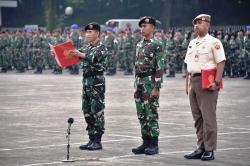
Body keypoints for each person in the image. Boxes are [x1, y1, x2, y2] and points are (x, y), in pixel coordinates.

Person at [184, 14, 226, 161]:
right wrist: (187, 84)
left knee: (208, 117)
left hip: (207, 82)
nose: (196, 26)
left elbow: (220, 63)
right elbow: (189, 65)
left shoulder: (214, 42)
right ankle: (200, 146)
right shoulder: (192, 43)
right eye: (195, 24)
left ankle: (209, 149)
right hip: (193, 81)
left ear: (207, 25)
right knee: (197, 118)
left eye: (199, 23)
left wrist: (216, 81)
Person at [68, 22, 107, 150]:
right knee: (87, 111)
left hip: (96, 82)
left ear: (98, 33)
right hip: (86, 82)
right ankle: (91, 139)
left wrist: (78, 54)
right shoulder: (87, 47)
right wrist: (61, 54)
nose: (88, 34)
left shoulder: (101, 47)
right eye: (87, 32)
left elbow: (93, 58)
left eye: (90, 32)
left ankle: (98, 140)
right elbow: (76, 56)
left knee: (97, 110)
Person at [132, 16, 164, 155]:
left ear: (152, 27)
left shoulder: (157, 43)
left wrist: (157, 87)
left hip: (150, 82)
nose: (142, 28)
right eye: (141, 26)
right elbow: (136, 64)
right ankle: (145, 142)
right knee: (141, 114)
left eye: (145, 26)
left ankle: (154, 144)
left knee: (151, 112)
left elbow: (160, 66)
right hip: (139, 82)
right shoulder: (139, 44)